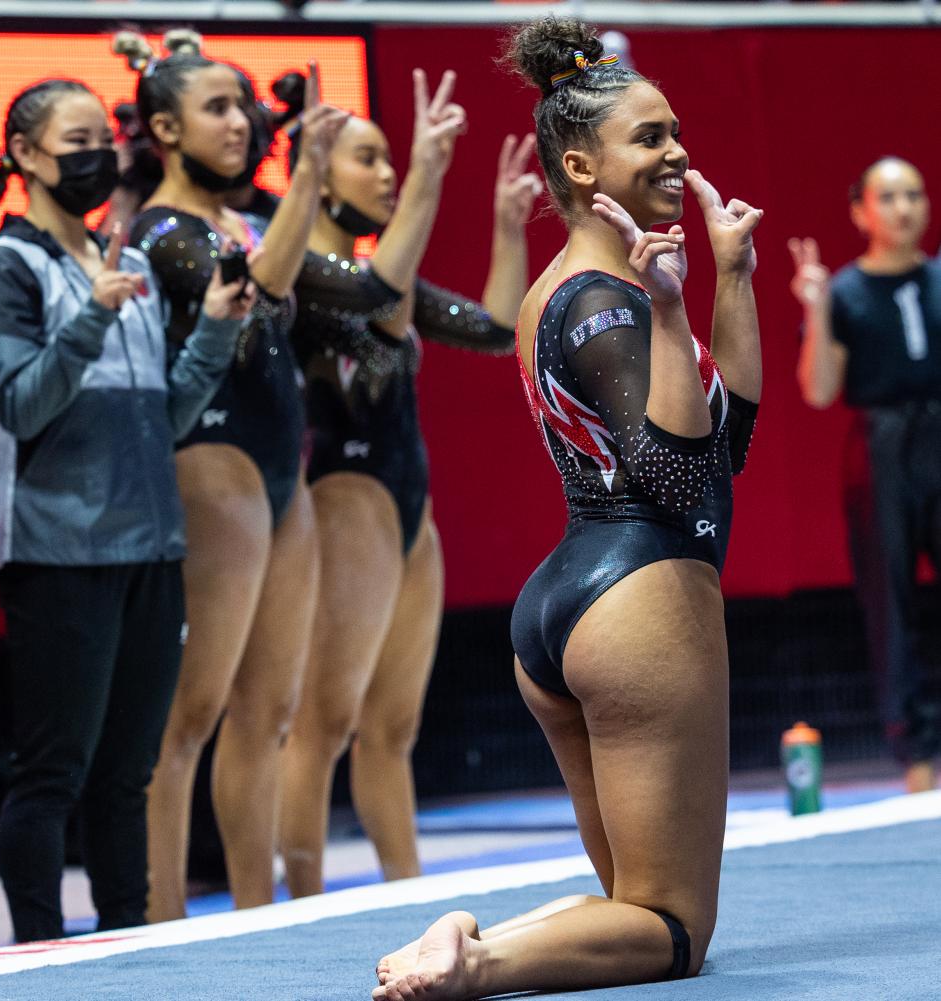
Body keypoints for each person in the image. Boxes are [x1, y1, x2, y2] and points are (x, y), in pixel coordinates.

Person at [374, 17, 762, 998]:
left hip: (570, 594)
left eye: (675, 130)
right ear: (583, 164)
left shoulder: (569, 292)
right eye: (649, 136)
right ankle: (474, 963)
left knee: (628, 900)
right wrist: (671, 309)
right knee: (670, 924)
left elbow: (730, 442)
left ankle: (468, 936)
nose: (676, 150)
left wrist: (734, 277)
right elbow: (681, 481)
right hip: (641, 593)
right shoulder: (611, 304)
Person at [0, 76, 252, 943]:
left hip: (150, 548)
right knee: (53, 771)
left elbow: (161, 418)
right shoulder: (7, 266)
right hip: (60, 554)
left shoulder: (126, 262)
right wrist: (88, 320)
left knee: (126, 774)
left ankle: (130, 943)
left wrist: (211, 328)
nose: (99, 156)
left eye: (105, 138)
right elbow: (20, 405)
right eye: (76, 140)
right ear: (24, 155)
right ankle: (38, 954)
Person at [278, 73, 539, 897]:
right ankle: (300, 903)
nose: (386, 172)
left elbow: (496, 331)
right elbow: (380, 303)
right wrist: (429, 176)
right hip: (343, 489)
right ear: (317, 167)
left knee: (392, 727)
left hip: (408, 505)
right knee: (322, 721)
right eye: (368, 158)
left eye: (393, 160)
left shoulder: (371, 275)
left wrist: (505, 226)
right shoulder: (302, 276)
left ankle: (406, 889)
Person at [113, 28, 347, 920]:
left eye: (241, 105)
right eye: (216, 107)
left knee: (270, 712)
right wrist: (313, 174)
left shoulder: (245, 215)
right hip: (209, 465)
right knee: (188, 717)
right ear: (164, 130)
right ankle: (164, 922)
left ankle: (264, 916)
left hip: (281, 470)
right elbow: (256, 286)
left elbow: (347, 293)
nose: (240, 121)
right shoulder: (160, 229)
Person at [790, 158, 941, 793]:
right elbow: (820, 390)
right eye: (889, 196)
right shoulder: (846, 293)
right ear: (861, 211)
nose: (904, 207)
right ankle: (918, 753)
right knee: (890, 599)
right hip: (882, 444)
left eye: (914, 194)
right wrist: (816, 309)